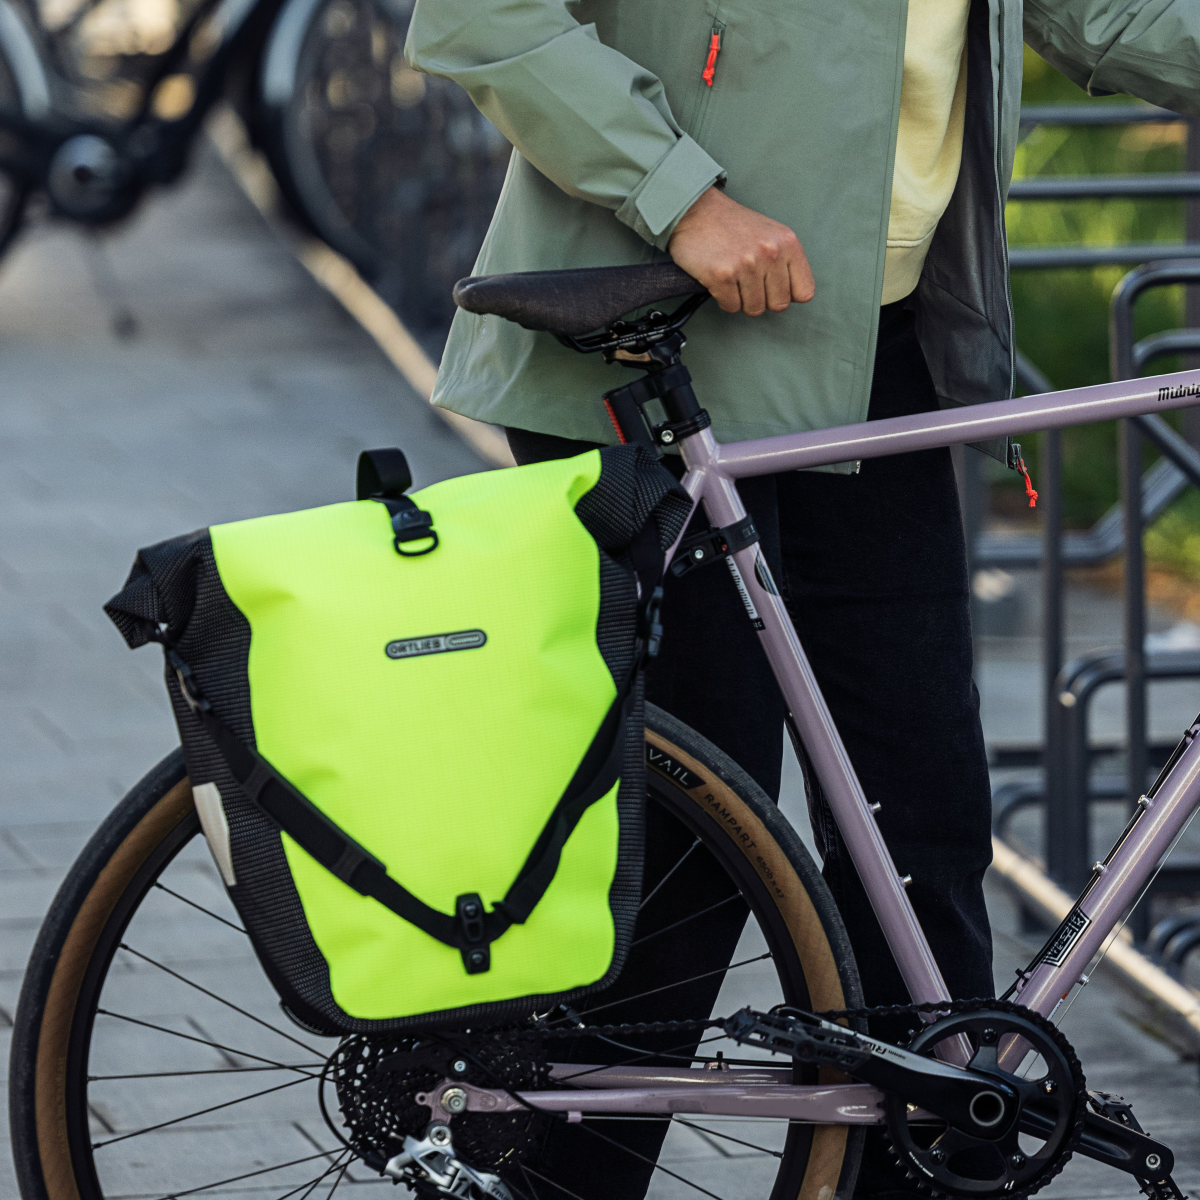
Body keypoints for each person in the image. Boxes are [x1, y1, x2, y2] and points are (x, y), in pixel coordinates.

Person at [405, 1, 1200, 1196]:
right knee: (700, 830)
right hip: (659, 327)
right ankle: (539, 1179)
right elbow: (477, 17)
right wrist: (684, 197)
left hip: (871, 343)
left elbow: (1104, 13)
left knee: (919, 825)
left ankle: (929, 1172)